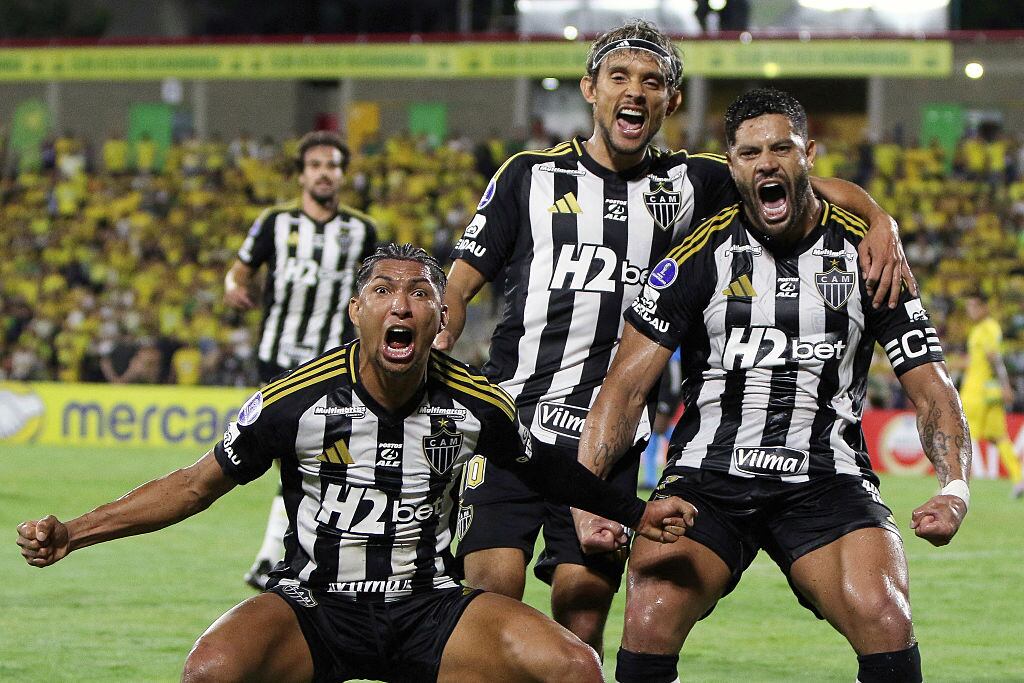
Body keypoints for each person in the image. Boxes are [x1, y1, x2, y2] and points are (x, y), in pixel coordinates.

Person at [437, 19, 912, 655]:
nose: (634, 92)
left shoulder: (696, 181)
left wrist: (878, 219)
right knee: (492, 598)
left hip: (607, 437)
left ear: (672, 100)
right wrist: (437, 347)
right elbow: (456, 289)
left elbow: (792, 178)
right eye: (619, 77)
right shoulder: (527, 176)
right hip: (511, 426)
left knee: (583, 619)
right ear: (590, 88)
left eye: (652, 82)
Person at [17, 244, 694, 683]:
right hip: (316, 605)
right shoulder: (292, 402)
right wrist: (75, 532)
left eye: (421, 293)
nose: (402, 303)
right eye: (384, 290)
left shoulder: (477, 404)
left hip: (430, 606)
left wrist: (635, 512)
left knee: (574, 667)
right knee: (211, 670)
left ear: (440, 318)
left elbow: (546, 468)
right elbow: (194, 486)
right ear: (357, 311)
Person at [573, 88, 971, 683]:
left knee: (884, 615)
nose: (766, 163)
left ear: (809, 155)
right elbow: (623, 391)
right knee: (650, 614)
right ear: (732, 166)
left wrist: (954, 488)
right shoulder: (697, 256)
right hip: (709, 478)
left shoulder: (868, 255)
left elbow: (932, 388)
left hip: (825, 479)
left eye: (781, 148)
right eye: (749, 152)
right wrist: (589, 496)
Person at [225, 130, 378, 589]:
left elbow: (374, 289)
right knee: (291, 458)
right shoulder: (274, 223)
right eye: (315, 166)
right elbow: (238, 273)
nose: (324, 173)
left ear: (342, 175)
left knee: (311, 457)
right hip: (276, 358)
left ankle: (275, 558)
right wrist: (233, 289)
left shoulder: (362, 230)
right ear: (301, 175)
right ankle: (288, 557)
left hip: (331, 361)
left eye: (332, 165)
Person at [962, 291, 1022, 496]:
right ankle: (1019, 480)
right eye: (968, 307)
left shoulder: (987, 328)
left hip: (976, 393)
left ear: (984, 307)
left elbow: (994, 358)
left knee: (962, 437)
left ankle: (956, 486)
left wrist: (1006, 385)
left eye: (973, 306)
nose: (970, 311)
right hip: (991, 392)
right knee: (999, 437)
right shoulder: (984, 329)